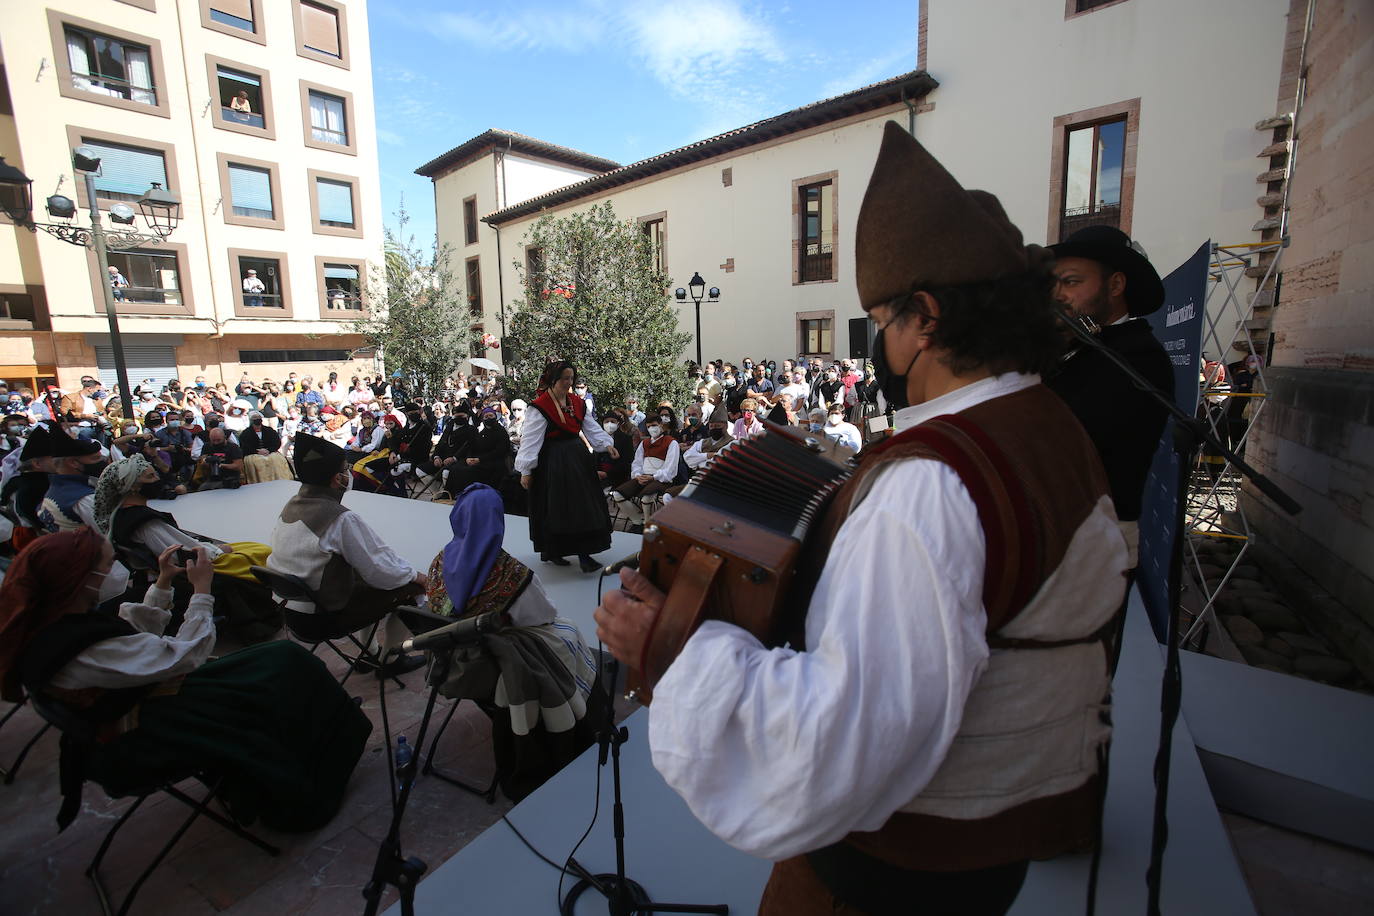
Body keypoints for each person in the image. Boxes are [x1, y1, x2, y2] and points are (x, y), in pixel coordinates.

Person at [594, 122, 1129, 915]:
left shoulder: (929, 487)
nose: (878, 342)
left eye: (881, 320)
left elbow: (838, 743)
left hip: (894, 870)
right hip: (995, 842)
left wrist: (667, 648)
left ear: (926, 316)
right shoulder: (1050, 422)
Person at [0, 529, 371, 833]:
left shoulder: (56, 626)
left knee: (281, 662)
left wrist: (162, 582)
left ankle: (312, 734)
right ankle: (317, 762)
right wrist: (202, 591)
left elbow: (130, 637)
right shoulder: (76, 650)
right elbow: (185, 655)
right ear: (78, 581)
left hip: (137, 703)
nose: (115, 569)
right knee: (284, 668)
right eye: (107, 564)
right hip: (145, 733)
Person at [422, 484, 599, 799]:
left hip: (446, 659)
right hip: (490, 666)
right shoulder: (511, 573)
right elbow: (542, 615)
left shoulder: (440, 561)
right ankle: (582, 716)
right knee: (568, 633)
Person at [1044, 225, 1173, 567]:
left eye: (1071, 282)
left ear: (1115, 285)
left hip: (1093, 550)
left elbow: (1057, 439)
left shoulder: (1138, 356)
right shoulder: (1079, 348)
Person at [266, 434, 426, 677]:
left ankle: (369, 653)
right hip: (323, 617)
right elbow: (382, 570)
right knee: (409, 588)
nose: (349, 473)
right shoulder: (340, 518)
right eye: (346, 469)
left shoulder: (291, 505)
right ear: (336, 479)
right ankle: (390, 660)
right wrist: (417, 577)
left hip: (292, 611)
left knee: (365, 580)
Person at [514, 360, 616, 573]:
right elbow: (531, 440)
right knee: (556, 507)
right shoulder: (540, 406)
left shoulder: (577, 403)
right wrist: (526, 470)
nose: (569, 383)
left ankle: (583, 554)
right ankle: (555, 551)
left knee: (581, 506)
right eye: (564, 379)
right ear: (553, 380)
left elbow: (591, 428)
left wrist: (607, 444)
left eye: (571, 378)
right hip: (552, 462)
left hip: (577, 459)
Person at [610, 414, 682, 525]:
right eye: (648, 427)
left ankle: (649, 522)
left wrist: (653, 477)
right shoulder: (644, 443)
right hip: (643, 477)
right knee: (617, 494)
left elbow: (670, 469)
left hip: (661, 479)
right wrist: (637, 475)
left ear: (661, 425)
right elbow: (637, 462)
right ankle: (637, 521)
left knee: (646, 499)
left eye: (654, 425)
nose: (651, 429)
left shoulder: (671, 442)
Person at [39, 429, 107, 532]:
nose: (102, 462)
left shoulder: (56, 489)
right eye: (95, 458)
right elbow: (109, 535)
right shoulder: (84, 498)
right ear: (73, 463)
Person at [239, 412, 293, 483]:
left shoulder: (269, 430)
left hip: (270, 452)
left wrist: (269, 450)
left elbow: (276, 443)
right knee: (256, 462)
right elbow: (244, 446)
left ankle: (280, 481)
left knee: (277, 459)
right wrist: (257, 451)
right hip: (253, 453)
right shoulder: (245, 433)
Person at [192, 427, 243, 491]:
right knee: (202, 489)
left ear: (224, 437)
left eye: (219, 440)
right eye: (213, 440)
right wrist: (207, 461)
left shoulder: (233, 447)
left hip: (230, 478)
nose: (216, 443)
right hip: (212, 478)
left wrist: (221, 465)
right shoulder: (207, 446)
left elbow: (238, 466)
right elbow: (202, 461)